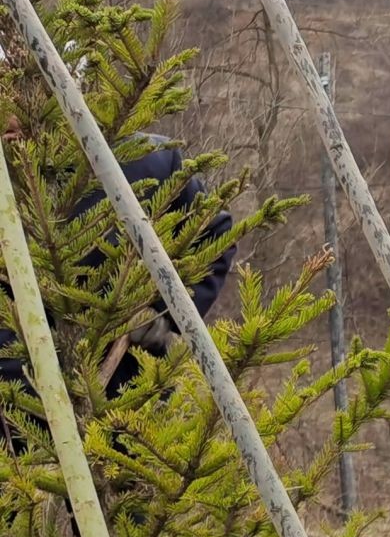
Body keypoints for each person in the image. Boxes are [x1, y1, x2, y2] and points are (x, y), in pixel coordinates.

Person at [0, 138, 236, 402]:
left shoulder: (148, 160)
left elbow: (214, 236)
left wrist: (162, 311)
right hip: (18, 401)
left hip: (129, 400)